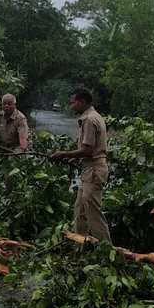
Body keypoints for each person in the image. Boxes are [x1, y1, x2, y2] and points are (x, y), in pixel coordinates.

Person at [50, 88, 112, 243]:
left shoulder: (89, 120)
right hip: (89, 170)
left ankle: (106, 251)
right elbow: (89, 151)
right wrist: (75, 159)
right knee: (80, 212)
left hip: (94, 171)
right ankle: (84, 247)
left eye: (73, 102)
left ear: (82, 102)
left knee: (93, 214)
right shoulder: (93, 116)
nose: (71, 106)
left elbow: (88, 150)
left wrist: (63, 154)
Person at [0, 94, 30, 191]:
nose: (6, 106)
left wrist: (25, 155)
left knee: (11, 162)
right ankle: (9, 190)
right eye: (4, 104)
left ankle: (11, 191)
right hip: (5, 147)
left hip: (18, 147)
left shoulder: (20, 119)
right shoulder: (0, 115)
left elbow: (23, 141)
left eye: (9, 104)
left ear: (14, 105)